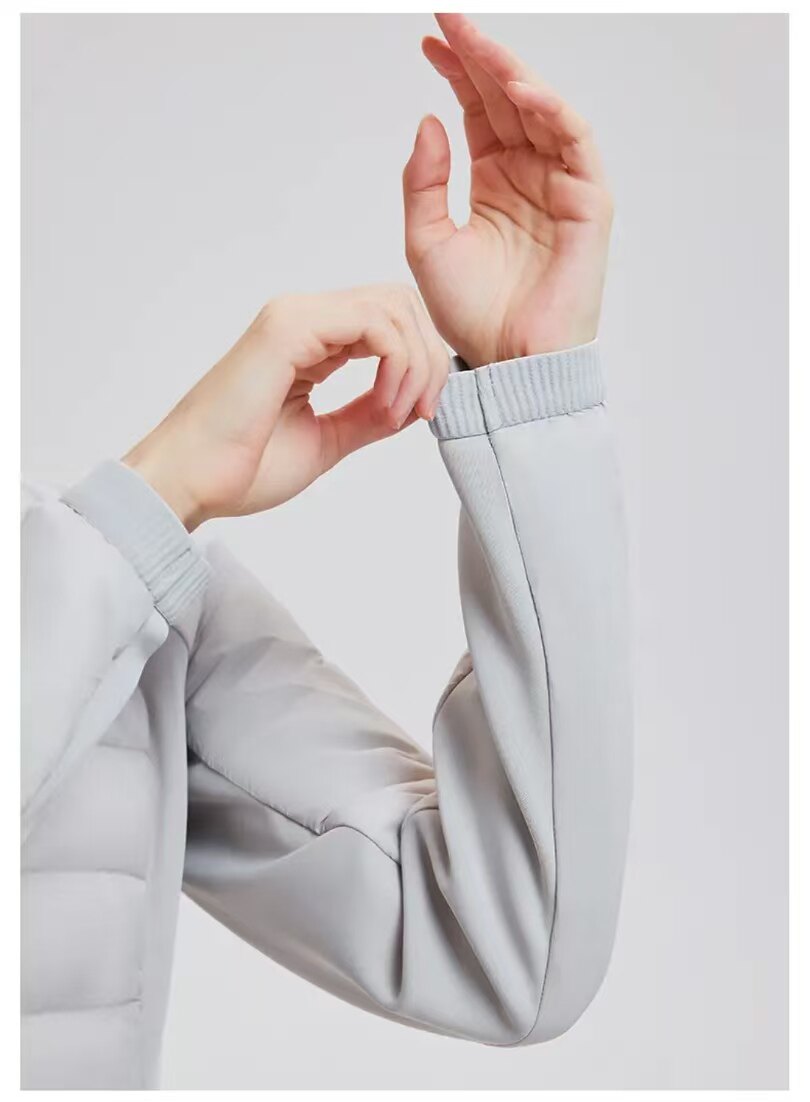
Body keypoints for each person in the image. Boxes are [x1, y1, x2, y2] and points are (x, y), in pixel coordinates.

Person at [21, 13, 632, 1090]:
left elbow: (511, 955)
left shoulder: (125, 583)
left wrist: (528, 389)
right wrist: (155, 495)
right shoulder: (110, 557)